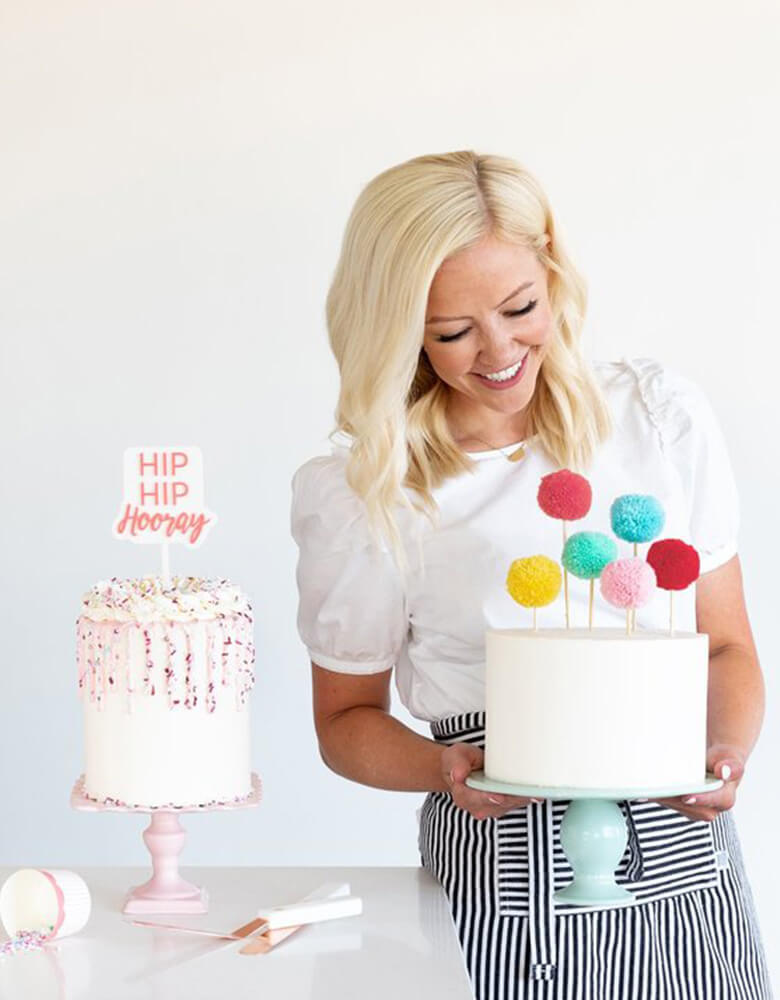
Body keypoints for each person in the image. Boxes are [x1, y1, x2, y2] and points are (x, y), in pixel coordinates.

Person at [290, 150, 770, 999]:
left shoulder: (656, 421)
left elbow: (726, 646)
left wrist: (724, 752)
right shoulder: (369, 492)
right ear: (398, 329)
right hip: (502, 862)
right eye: (451, 332)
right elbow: (345, 719)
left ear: (552, 271)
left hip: (683, 846)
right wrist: (439, 768)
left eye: (520, 307)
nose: (500, 349)